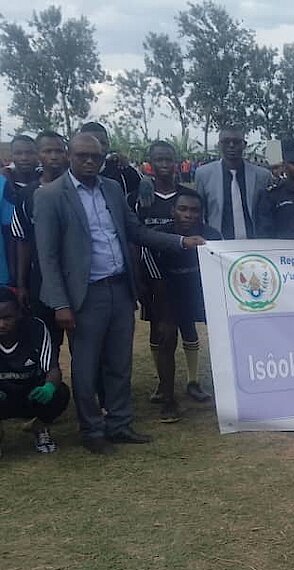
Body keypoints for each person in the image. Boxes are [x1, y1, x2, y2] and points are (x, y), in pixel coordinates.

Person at [34, 133, 206, 454]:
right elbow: (48, 256)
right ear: (70, 155)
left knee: (119, 362)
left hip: (120, 288)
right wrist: (60, 303)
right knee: (86, 367)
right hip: (84, 296)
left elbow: (136, 231)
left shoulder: (112, 189)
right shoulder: (50, 196)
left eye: (96, 156)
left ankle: (120, 424)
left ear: (103, 158)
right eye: (82, 155)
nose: (90, 161)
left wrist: (181, 242)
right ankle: (92, 430)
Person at [145, 189, 222, 423]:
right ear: (173, 211)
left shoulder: (212, 236)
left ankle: (199, 384)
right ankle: (168, 398)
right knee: (167, 336)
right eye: (183, 209)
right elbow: (151, 270)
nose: (189, 215)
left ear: (201, 214)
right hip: (165, 291)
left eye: (194, 210)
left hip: (198, 291)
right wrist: (161, 305)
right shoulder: (159, 236)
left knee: (216, 334)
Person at [132, 140, 191, 402]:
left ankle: (193, 381)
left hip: (184, 274)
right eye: (159, 160)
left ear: (177, 162)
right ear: (150, 163)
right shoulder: (138, 198)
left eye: (169, 159)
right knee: (158, 327)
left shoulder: (187, 196)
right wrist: (137, 274)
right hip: (151, 275)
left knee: (188, 325)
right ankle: (162, 383)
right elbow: (133, 237)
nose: (165, 164)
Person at [11, 131, 69, 355]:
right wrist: (22, 284)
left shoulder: (79, 189)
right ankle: (51, 377)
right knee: (47, 341)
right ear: (38, 154)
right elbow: (23, 241)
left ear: (66, 154)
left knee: (84, 343)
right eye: (47, 151)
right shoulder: (27, 194)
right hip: (41, 280)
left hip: (77, 278)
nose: (54, 156)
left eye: (58, 151)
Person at [0, 286, 70, 457]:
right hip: (2, 396)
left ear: (19, 313)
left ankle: (39, 426)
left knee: (60, 392)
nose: (1, 324)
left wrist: (48, 388)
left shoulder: (35, 328)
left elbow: (52, 369)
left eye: (7, 318)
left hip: (31, 395)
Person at [194, 126, 271, 240]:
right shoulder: (203, 174)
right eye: (226, 142)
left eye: (236, 142)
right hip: (218, 242)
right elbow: (200, 211)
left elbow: (266, 212)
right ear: (219, 145)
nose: (231, 145)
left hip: (254, 242)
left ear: (244, 145)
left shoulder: (262, 175)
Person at [79, 122, 144, 198]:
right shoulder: (71, 175)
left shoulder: (124, 171)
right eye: (92, 142)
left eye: (103, 143)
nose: (98, 147)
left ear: (108, 144)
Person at [8, 135, 40, 203]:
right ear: (11, 156)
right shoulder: (3, 184)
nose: (24, 158)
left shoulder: (48, 181)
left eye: (30, 153)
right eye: (18, 153)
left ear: (37, 155)